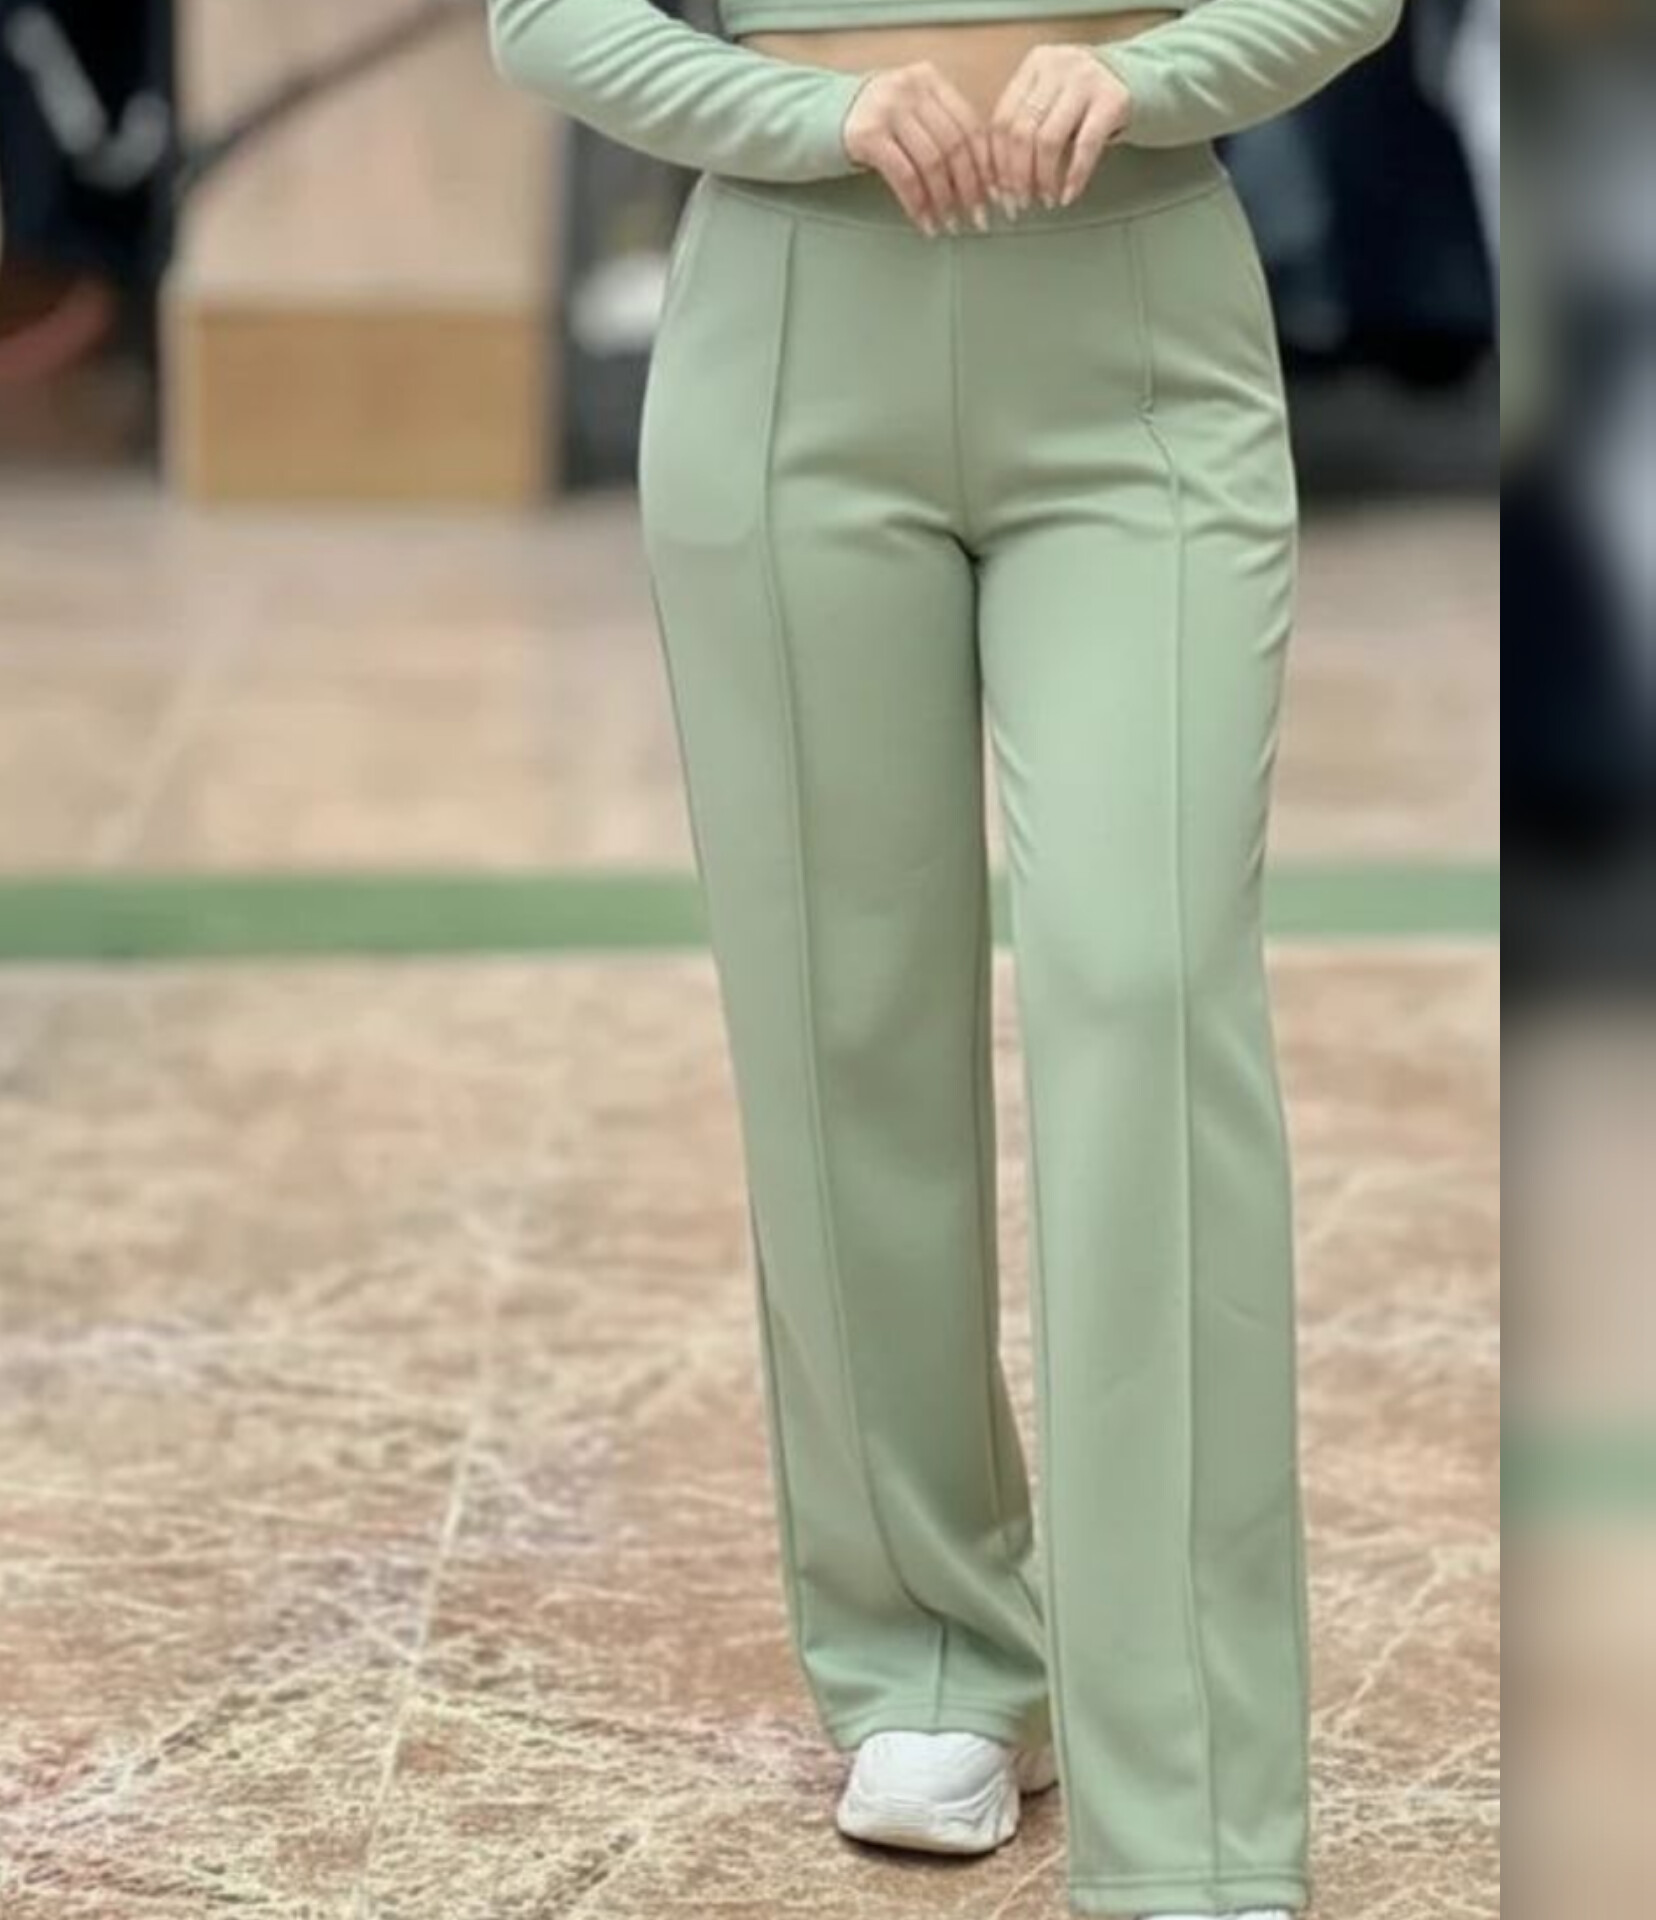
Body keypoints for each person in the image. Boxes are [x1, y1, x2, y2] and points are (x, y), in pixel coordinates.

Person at [487, 0, 1402, 1914]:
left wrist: (1148, 77)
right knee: (844, 1023)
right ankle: (927, 1655)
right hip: (788, 342)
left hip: (1138, 347)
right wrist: (797, 113)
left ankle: (1197, 1800)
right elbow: (547, 20)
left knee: (1146, 994)